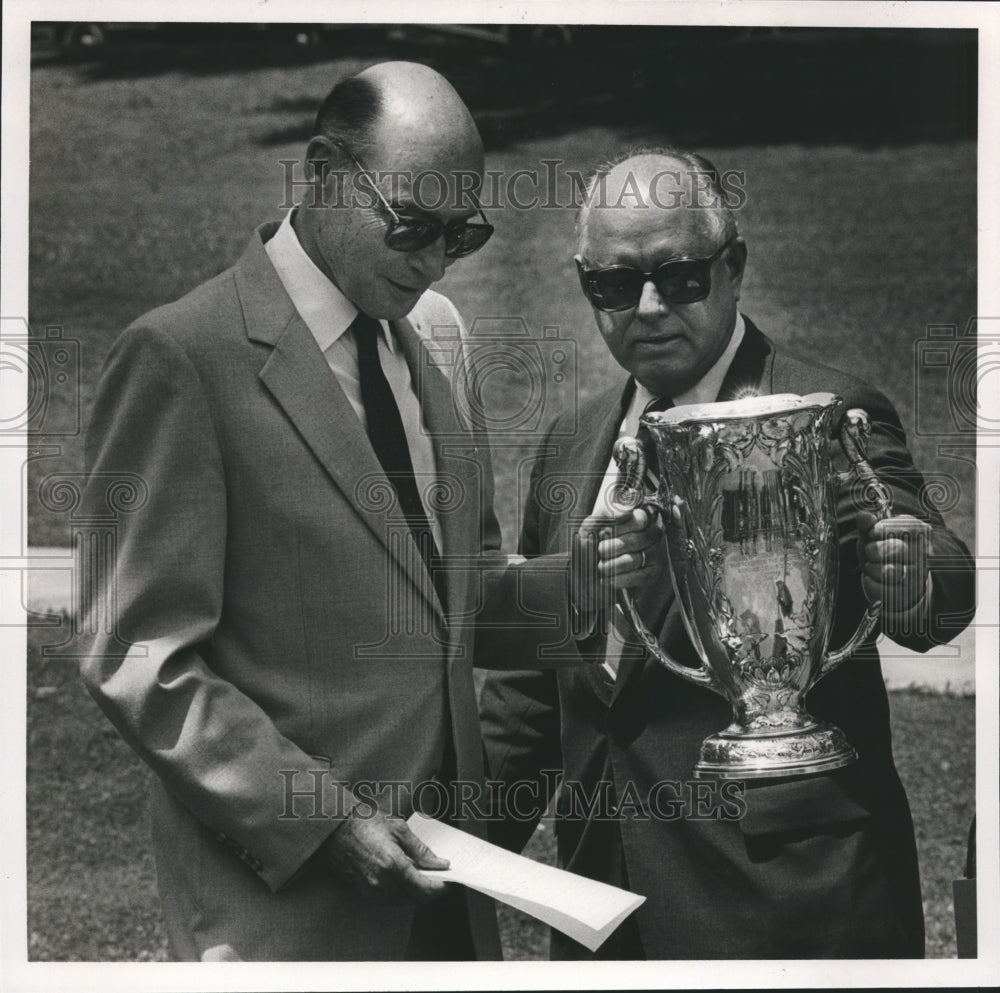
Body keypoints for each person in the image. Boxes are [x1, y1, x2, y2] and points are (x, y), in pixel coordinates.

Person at [476, 147, 976, 959]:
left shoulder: (825, 411)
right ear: (584, 284)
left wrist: (917, 571)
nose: (646, 307)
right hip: (602, 925)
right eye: (613, 284)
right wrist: (445, 850)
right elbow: (531, 699)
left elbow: (932, 584)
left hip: (785, 911)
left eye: (678, 278)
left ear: (733, 268)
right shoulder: (569, 447)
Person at [80, 61, 516, 962]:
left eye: (461, 235)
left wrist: (598, 577)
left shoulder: (437, 334)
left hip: (448, 897)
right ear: (322, 170)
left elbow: (462, 597)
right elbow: (140, 656)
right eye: (411, 227)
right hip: (288, 916)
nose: (434, 264)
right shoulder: (180, 356)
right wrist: (323, 821)